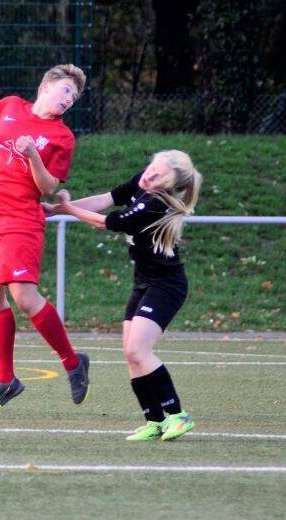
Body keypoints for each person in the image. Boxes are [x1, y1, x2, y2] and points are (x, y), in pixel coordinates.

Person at [0, 61, 90, 415]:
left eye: (73, 98)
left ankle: (73, 362)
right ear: (46, 85)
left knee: (25, 297)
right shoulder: (13, 106)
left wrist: (32, 156)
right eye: (65, 91)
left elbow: (48, 188)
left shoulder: (62, 137)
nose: (68, 100)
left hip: (21, 218)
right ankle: (6, 380)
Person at [49, 150, 202, 441]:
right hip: (143, 282)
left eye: (157, 176)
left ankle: (178, 416)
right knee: (131, 355)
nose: (148, 175)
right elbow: (105, 199)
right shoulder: (142, 182)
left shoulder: (155, 203)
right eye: (151, 167)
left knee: (138, 351)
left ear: (166, 185)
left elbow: (106, 222)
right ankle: (155, 421)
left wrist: (68, 209)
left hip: (166, 285)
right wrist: (58, 209)